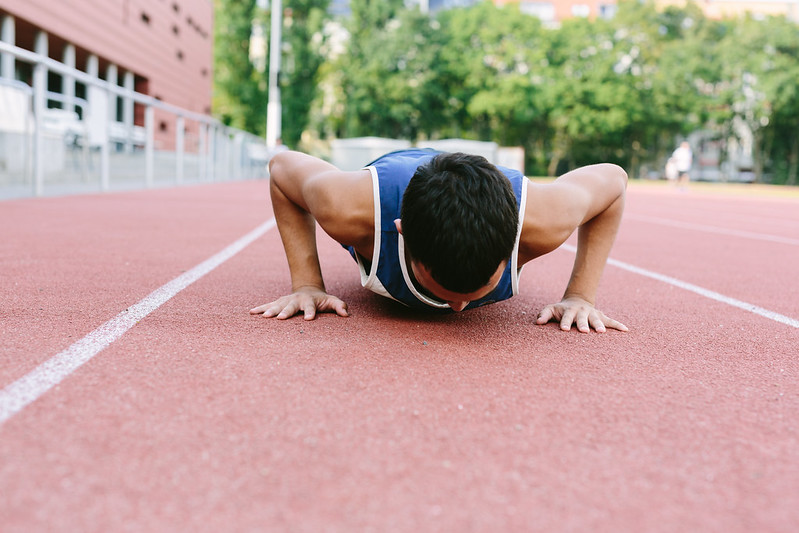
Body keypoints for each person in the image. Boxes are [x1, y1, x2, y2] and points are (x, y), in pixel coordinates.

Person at [250, 148, 629, 333]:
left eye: (480, 288)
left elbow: (613, 179)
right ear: (400, 232)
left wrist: (580, 296)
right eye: (443, 292)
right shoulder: (347, 208)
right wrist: (307, 284)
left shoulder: (544, 220)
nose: (459, 309)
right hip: (397, 169)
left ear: (515, 239)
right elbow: (282, 167)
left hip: (482, 184)